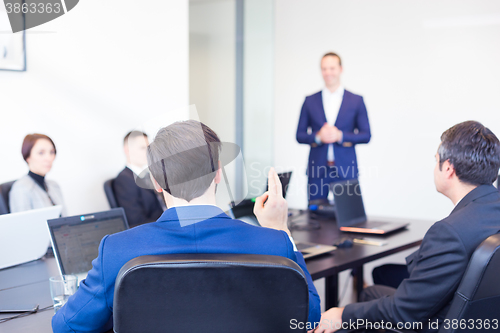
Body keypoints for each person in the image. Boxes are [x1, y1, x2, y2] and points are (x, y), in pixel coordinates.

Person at [52, 120, 321, 332]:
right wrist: (280, 228)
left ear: (156, 182)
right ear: (218, 172)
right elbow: (310, 317)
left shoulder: (116, 251)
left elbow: (67, 326)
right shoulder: (274, 243)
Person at [312, 121, 500, 333]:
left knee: (366, 297)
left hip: (441, 324)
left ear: (447, 168)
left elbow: (403, 312)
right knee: (384, 276)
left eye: (435, 160)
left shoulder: (448, 233)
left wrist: (342, 314)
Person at [296, 52, 371, 201]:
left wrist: (340, 136)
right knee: (314, 218)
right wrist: (318, 137)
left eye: (332, 68)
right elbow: (300, 135)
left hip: (346, 170)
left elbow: (366, 135)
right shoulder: (310, 100)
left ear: (340, 69)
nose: (328, 72)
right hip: (317, 171)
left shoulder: (356, 100)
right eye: (324, 69)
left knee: (349, 217)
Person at [113, 131, 164, 227]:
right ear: (127, 151)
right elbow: (136, 221)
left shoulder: (148, 175)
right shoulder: (124, 180)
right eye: (142, 148)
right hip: (155, 229)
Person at [9, 133, 66, 216]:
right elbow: (23, 226)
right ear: (28, 156)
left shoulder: (54, 185)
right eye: (41, 153)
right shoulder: (21, 188)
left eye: (52, 152)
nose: (49, 158)